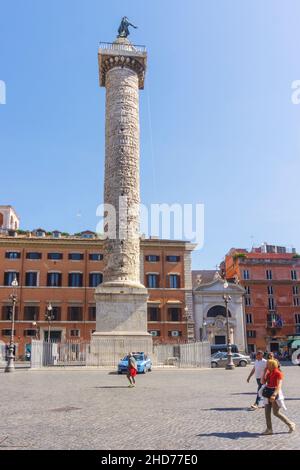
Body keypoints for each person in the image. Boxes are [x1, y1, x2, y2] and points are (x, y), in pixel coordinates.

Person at [261, 359, 296, 435]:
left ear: (272, 365)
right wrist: (264, 372)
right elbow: (263, 382)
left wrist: (274, 395)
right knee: (267, 413)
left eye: (268, 364)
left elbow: (279, 385)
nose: (266, 365)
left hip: (274, 394)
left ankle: (290, 424)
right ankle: (269, 429)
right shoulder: (269, 373)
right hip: (267, 394)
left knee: (276, 413)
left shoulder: (278, 373)